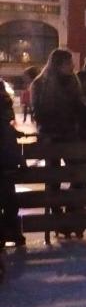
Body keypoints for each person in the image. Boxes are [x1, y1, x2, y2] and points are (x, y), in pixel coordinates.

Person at [30, 49, 85, 228]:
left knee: (78, 174)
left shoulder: (73, 81)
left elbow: (79, 107)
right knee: (54, 177)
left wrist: (84, 118)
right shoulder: (41, 84)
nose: (73, 66)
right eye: (69, 63)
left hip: (69, 135)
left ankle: (69, 209)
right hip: (50, 137)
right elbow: (39, 112)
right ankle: (56, 214)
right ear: (58, 64)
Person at [0, 82, 25, 247]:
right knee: (9, 201)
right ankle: (10, 232)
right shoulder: (4, 127)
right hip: (6, 166)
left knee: (9, 201)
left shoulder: (5, 126)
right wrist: (20, 161)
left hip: (6, 166)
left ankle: (9, 233)